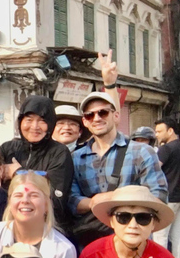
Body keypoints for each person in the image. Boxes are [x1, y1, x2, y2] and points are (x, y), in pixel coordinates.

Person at [69, 91, 167, 248]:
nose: (97, 118)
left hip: (133, 243)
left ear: (115, 116)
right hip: (90, 243)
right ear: (85, 122)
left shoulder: (141, 152)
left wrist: (119, 198)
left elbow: (159, 196)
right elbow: (71, 200)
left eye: (103, 112)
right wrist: (95, 201)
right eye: (90, 115)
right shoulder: (75, 157)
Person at [0, 95, 74, 231]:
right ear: (20, 121)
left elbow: (57, 202)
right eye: (29, 120)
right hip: (8, 226)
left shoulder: (59, 153)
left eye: (42, 121)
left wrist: (18, 173)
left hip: (46, 230)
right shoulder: (9, 148)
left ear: (50, 124)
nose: (34, 126)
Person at [153, 118, 180, 258]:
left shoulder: (165, 149)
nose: (157, 134)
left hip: (166, 197)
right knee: (176, 236)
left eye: (159, 131)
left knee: (161, 236)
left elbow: (153, 170)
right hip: (179, 197)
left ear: (170, 131)